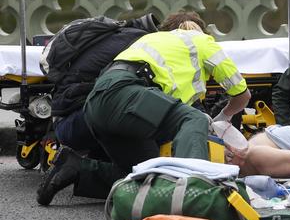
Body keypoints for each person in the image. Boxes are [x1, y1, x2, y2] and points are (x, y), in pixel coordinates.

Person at [37, 11, 251, 205]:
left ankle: (76, 168)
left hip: (96, 105)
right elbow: (242, 95)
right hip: (124, 93)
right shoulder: (201, 40)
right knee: (195, 119)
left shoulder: (149, 39)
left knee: (150, 174)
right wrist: (222, 121)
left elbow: (171, 117)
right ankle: (195, 193)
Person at [51, 13, 159, 161]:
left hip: (68, 118)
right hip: (77, 120)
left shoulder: (124, 34)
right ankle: (77, 167)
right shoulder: (139, 46)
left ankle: (82, 171)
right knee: (147, 159)